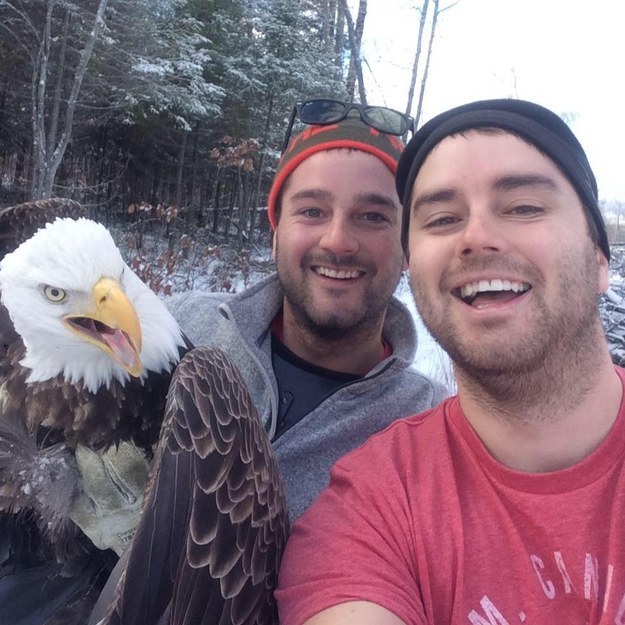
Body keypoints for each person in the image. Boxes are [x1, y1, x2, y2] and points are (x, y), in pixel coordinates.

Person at [275, 98, 624, 625]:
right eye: (442, 218)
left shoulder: (402, 411)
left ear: (600, 258)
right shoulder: (372, 505)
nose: (476, 237)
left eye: (524, 206)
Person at [168, 99, 448, 520]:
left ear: (407, 245)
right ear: (275, 229)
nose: (337, 241)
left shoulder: (433, 436)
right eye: (312, 211)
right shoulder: (177, 327)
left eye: (372, 216)